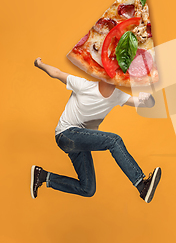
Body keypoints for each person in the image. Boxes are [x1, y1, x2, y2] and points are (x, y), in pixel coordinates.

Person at [31, 57, 161, 203]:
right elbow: (56, 73)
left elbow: (146, 105)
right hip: (66, 134)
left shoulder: (117, 96)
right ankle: (141, 185)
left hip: (80, 142)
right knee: (114, 141)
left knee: (88, 189)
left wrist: (148, 98)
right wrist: (40, 64)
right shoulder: (84, 85)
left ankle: (43, 176)